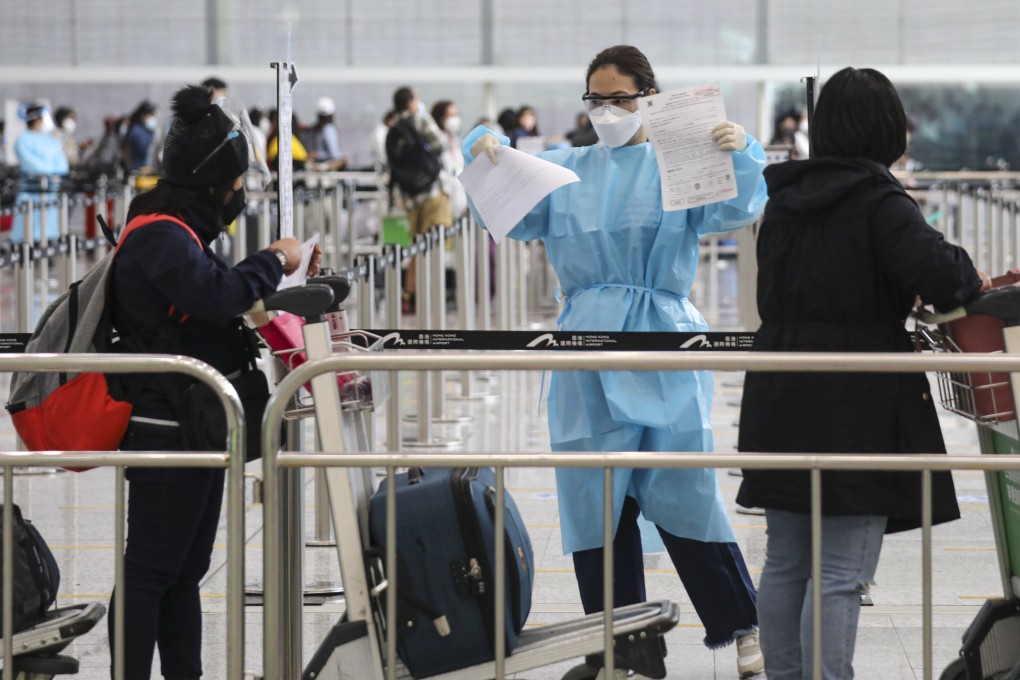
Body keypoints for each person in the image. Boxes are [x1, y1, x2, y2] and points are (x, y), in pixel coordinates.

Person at [465, 44, 767, 679]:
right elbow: (511, 213)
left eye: (620, 99)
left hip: (662, 341)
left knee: (684, 488)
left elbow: (739, 207)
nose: (607, 111)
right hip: (584, 348)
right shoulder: (562, 169)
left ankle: (744, 626)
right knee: (595, 499)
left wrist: (741, 150)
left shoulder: (678, 167)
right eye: (596, 100)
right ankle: (622, 649)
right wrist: (484, 149)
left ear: (648, 98)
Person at [735, 66, 990, 680]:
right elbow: (944, 275)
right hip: (856, 397)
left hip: (779, 390)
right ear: (883, 129)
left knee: (787, 562)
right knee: (841, 573)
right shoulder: (879, 199)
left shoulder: (783, 198)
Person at [108, 84, 321, 680]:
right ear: (209, 184)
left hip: (198, 419)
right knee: (150, 570)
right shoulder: (160, 234)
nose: (238, 197)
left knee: (184, 569)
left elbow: (206, 308)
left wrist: (277, 290)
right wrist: (274, 259)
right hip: (166, 423)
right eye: (235, 187)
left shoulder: (179, 231)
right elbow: (215, 295)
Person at [388, 86, 451, 313]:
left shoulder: (393, 129)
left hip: (409, 199)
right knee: (435, 246)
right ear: (411, 103)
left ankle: (409, 293)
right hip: (433, 193)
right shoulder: (420, 120)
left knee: (416, 247)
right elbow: (440, 144)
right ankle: (431, 296)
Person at [13, 103, 69, 243]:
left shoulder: (50, 140)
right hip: (31, 191)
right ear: (37, 119)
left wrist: (51, 171)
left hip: (50, 191)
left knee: (49, 225)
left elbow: (62, 164)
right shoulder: (22, 140)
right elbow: (29, 163)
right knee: (28, 227)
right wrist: (50, 170)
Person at [431, 100, 467, 218]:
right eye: (451, 115)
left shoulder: (456, 139)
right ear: (441, 118)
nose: (455, 119)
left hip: (458, 193)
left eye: (457, 115)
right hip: (442, 193)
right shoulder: (436, 141)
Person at [309, 96, 348, 171]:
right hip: (330, 166)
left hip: (321, 165)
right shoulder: (329, 128)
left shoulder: (317, 129)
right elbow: (334, 154)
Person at [122, 100, 158, 173]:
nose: (154, 118)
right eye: (151, 115)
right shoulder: (137, 131)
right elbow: (143, 149)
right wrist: (152, 133)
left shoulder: (143, 130)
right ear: (143, 116)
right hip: (138, 170)